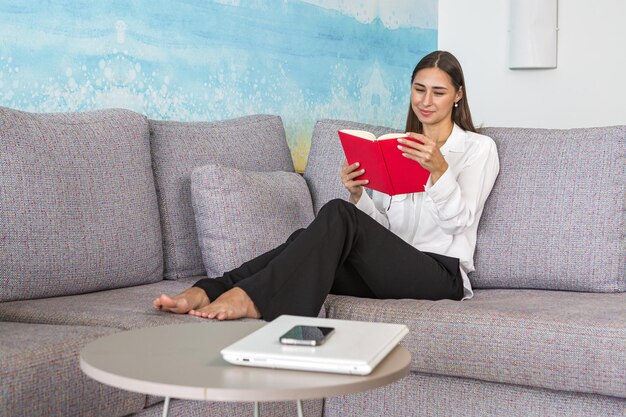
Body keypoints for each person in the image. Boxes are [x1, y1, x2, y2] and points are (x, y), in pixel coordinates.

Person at [153, 50, 500, 321]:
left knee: (336, 214)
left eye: (438, 92)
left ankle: (255, 300)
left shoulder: (477, 149)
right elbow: (383, 230)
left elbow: (459, 223)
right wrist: (359, 195)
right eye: (419, 89)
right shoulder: (396, 146)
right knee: (305, 239)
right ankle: (212, 288)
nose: (425, 101)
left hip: (441, 275)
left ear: (457, 95)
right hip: (391, 267)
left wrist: (439, 171)